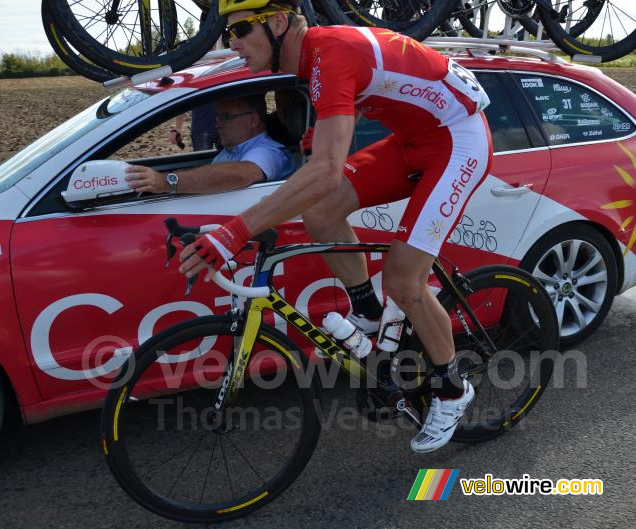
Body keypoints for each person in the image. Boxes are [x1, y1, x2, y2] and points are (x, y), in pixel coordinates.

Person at [180, 0, 493, 453]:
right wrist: (335, 123)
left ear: (279, 21)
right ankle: (365, 310)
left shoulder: (330, 54)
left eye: (242, 29)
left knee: (404, 281)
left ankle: (452, 389)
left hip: (458, 142)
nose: (233, 43)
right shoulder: (316, 60)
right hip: (412, 140)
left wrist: (234, 231)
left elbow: (326, 169)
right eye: (228, 34)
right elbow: (387, 84)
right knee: (322, 212)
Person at [126, 94, 295, 194]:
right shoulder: (234, 148)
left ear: (253, 120)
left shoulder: (268, 151)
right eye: (217, 117)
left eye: (226, 117)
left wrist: (166, 182)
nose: (218, 124)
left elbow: (240, 174)